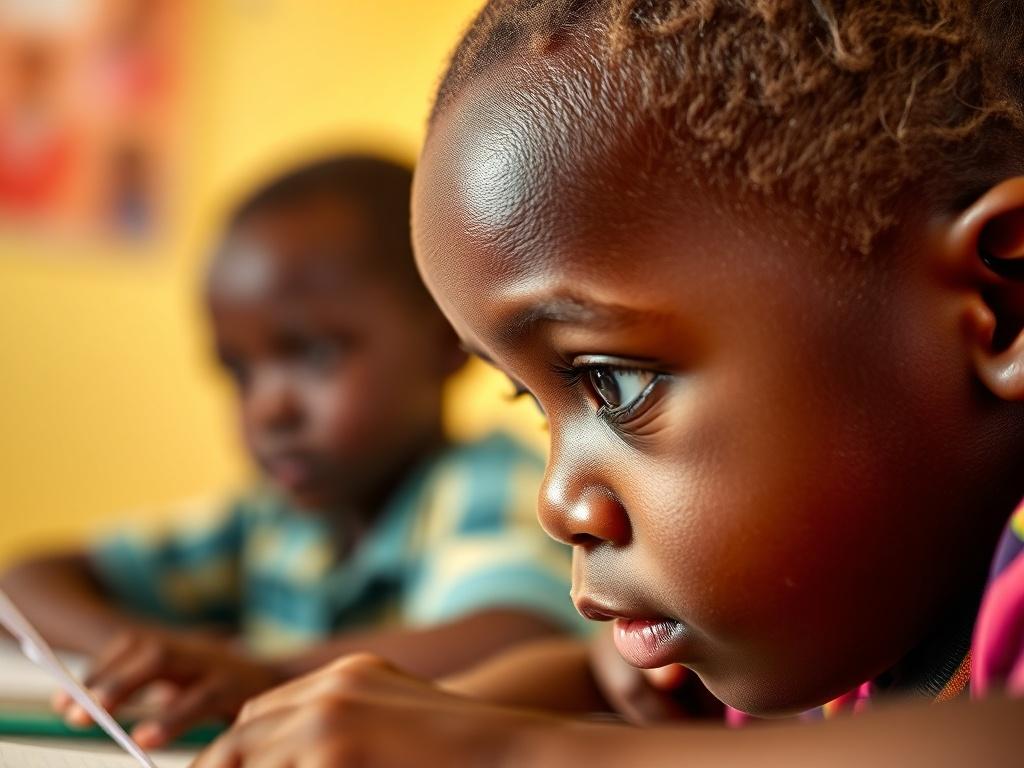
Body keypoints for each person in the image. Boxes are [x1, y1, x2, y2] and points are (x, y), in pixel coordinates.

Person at [190, 2, 1024, 765]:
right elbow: (601, 683)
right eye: (532, 401)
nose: (558, 503)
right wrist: (410, 722)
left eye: (614, 384)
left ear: (1001, 304)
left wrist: (517, 754)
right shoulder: (835, 618)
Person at [0, 154, 581, 749]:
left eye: (312, 355)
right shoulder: (274, 517)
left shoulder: (487, 483)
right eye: (238, 371)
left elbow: (517, 634)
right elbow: (27, 579)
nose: (268, 409)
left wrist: (270, 675)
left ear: (447, 338)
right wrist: (142, 657)